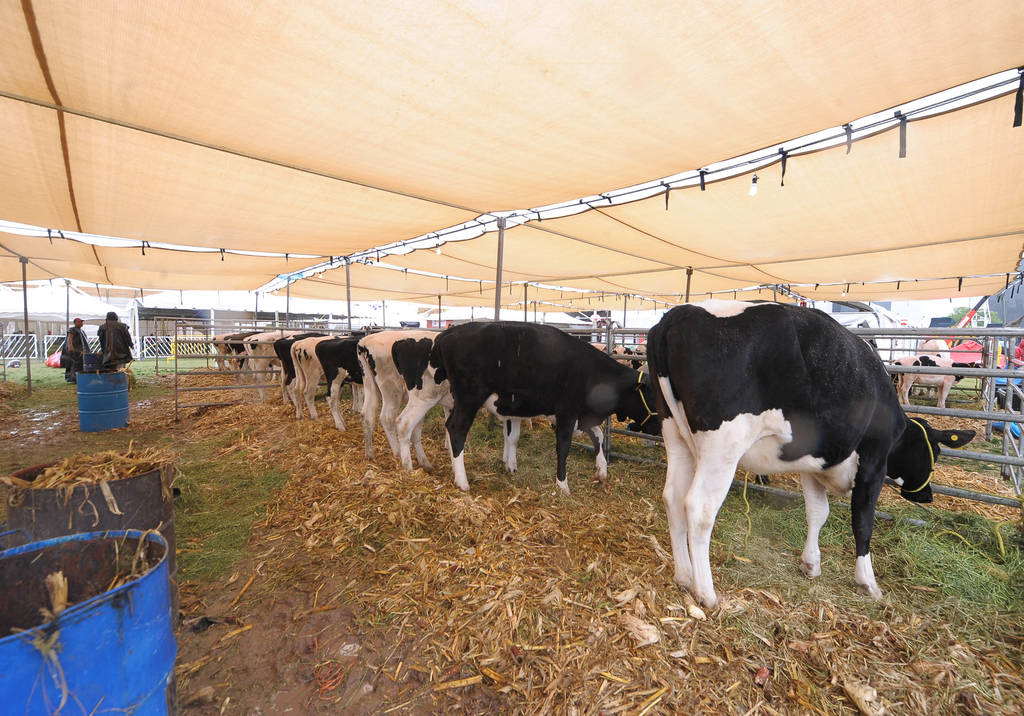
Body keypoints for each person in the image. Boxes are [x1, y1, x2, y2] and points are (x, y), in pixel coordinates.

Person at [63, 317, 87, 383]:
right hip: (74, 350)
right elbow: (70, 338)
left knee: (79, 364)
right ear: (75, 322)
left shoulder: (82, 331)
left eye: (82, 322)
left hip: (80, 350)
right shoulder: (72, 329)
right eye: (80, 322)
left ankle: (78, 378)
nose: (81, 323)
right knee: (74, 364)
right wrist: (70, 346)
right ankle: (72, 378)